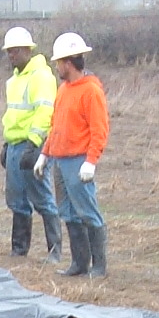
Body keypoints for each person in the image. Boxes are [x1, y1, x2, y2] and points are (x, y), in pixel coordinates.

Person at [34, 32, 110, 278]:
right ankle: (79, 264)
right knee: (67, 212)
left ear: (68, 62)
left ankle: (99, 267)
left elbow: (100, 130)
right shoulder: (64, 90)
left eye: (58, 62)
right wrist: (45, 155)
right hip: (59, 161)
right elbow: (56, 126)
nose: (57, 67)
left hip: (78, 162)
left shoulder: (91, 91)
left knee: (87, 211)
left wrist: (91, 161)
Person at [0, 26, 61, 263]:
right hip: (15, 145)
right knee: (17, 200)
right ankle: (19, 250)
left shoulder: (41, 76)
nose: (11, 55)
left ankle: (54, 252)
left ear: (28, 50)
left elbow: (45, 112)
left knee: (42, 198)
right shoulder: (13, 81)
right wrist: (7, 144)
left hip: (34, 146)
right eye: (9, 52)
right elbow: (13, 115)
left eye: (15, 51)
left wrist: (34, 145)